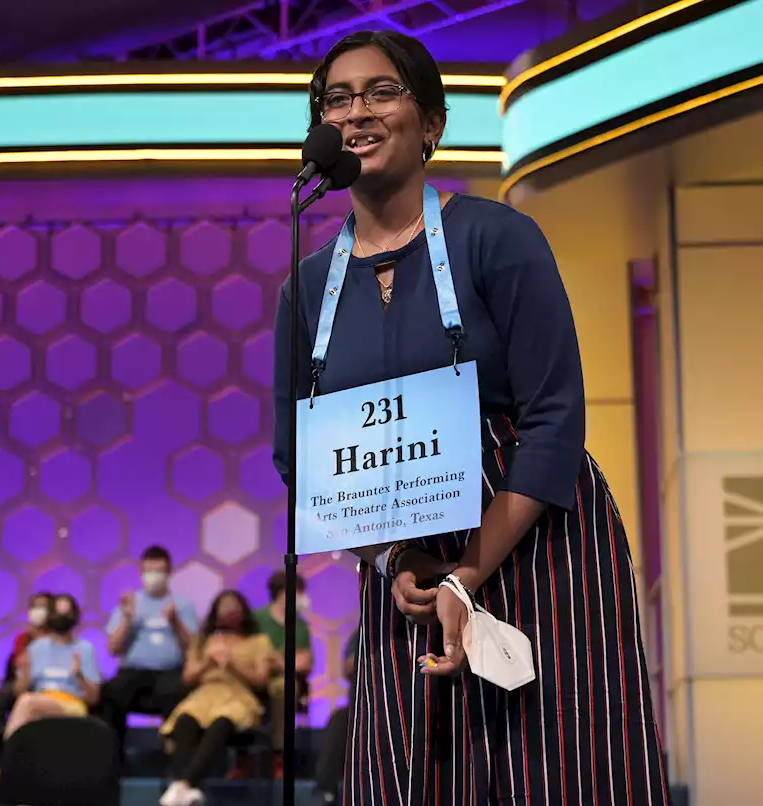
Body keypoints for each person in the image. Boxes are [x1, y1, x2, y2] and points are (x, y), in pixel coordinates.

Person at [272, 30, 669, 806]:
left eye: (383, 92)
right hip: (401, 566)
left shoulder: (497, 237)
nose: (357, 112)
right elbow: (299, 458)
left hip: (535, 541)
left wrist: (470, 571)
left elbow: (556, 418)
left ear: (433, 125)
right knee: (417, 771)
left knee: (560, 768)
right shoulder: (307, 284)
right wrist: (398, 563)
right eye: (338, 99)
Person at [0, 594, 101, 802]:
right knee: (27, 703)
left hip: (71, 704)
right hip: (39, 702)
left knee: (28, 704)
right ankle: (14, 776)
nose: (61, 616)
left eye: (66, 612)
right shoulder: (36, 648)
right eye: (57, 611)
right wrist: (24, 671)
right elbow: (19, 692)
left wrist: (79, 675)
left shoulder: (85, 649)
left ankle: (1, 769)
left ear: (75, 616)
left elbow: (94, 698)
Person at [159, 590, 271, 806]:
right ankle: (189, 791)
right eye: (223, 606)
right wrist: (208, 661)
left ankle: (183, 785)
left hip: (238, 695)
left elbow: (261, 680)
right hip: (204, 694)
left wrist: (231, 663)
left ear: (243, 611)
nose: (228, 611)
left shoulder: (259, 641)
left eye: (233, 606)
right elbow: (187, 678)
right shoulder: (202, 641)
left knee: (222, 722)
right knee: (184, 720)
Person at [101, 545, 197, 760]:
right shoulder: (129, 604)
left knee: (177, 693)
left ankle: (175, 762)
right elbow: (112, 649)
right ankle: (112, 759)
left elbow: (192, 648)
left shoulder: (182, 605)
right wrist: (127, 619)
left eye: (159, 572)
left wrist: (176, 622)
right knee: (110, 692)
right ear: (142, 573)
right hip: (133, 671)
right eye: (149, 572)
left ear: (169, 573)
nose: (154, 577)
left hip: (170, 671)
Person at [0, 591, 53, 768]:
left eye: (43, 606)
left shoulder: (57, 637)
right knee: (0, 697)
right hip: (22, 682)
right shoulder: (23, 637)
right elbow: (19, 665)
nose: (38, 611)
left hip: (48, 685)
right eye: (35, 606)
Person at [253, 570, 312, 776]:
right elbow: (254, 655)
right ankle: (243, 760)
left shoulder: (301, 625)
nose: (303, 598)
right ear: (282, 593)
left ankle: (280, 755)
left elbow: (305, 662)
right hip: (254, 680)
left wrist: (276, 660)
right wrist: (283, 659)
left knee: (285, 687)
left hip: (286, 680)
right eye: (299, 592)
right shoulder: (256, 618)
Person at [312, 627, 358, 805]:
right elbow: (349, 667)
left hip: (410, 709)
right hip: (364, 709)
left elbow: (427, 665)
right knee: (338, 719)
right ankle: (326, 791)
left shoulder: (425, 634)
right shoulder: (365, 632)